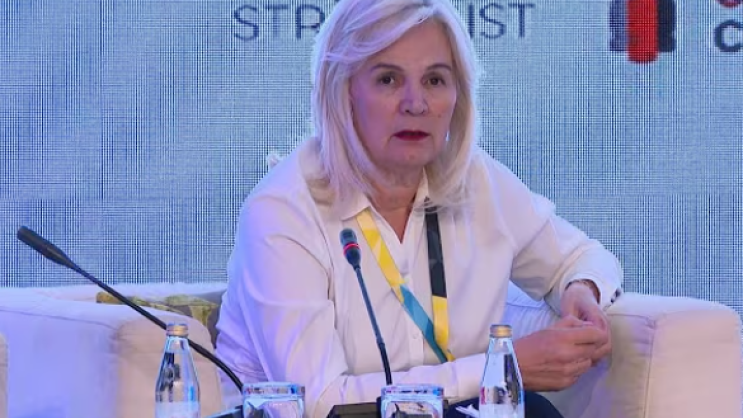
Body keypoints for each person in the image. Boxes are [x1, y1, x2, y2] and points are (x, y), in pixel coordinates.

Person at [215, 0, 623, 417]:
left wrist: (580, 290)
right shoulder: (282, 211)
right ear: (344, 92)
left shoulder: (475, 181)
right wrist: (499, 369)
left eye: (434, 80)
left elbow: (580, 257)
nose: (416, 103)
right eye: (388, 79)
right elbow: (318, 402)